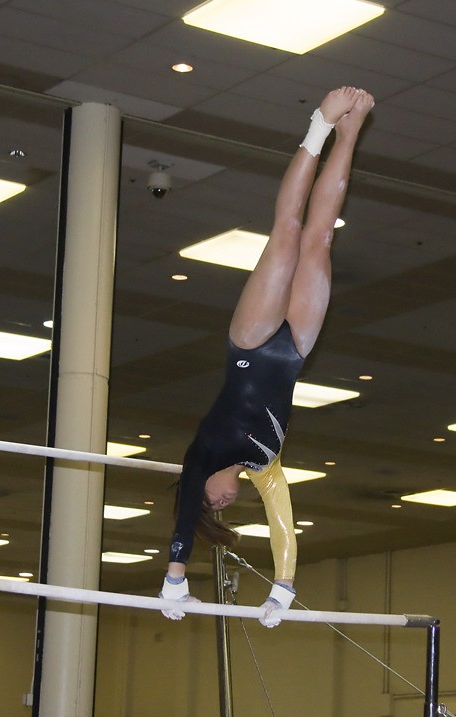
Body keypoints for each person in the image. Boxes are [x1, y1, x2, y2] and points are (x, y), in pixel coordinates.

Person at [160, 87, 375, 627]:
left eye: (212, 504)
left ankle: (319, 127)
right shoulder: (266, 467)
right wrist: (282, 589)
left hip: (252, 343)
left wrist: (175, 577)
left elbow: (185, 510)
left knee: (287, 231)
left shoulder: (200, 456)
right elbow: (284, 524)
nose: (221, 504)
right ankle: (349, 135)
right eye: (222, 511)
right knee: (320, 238)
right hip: (296, 348)